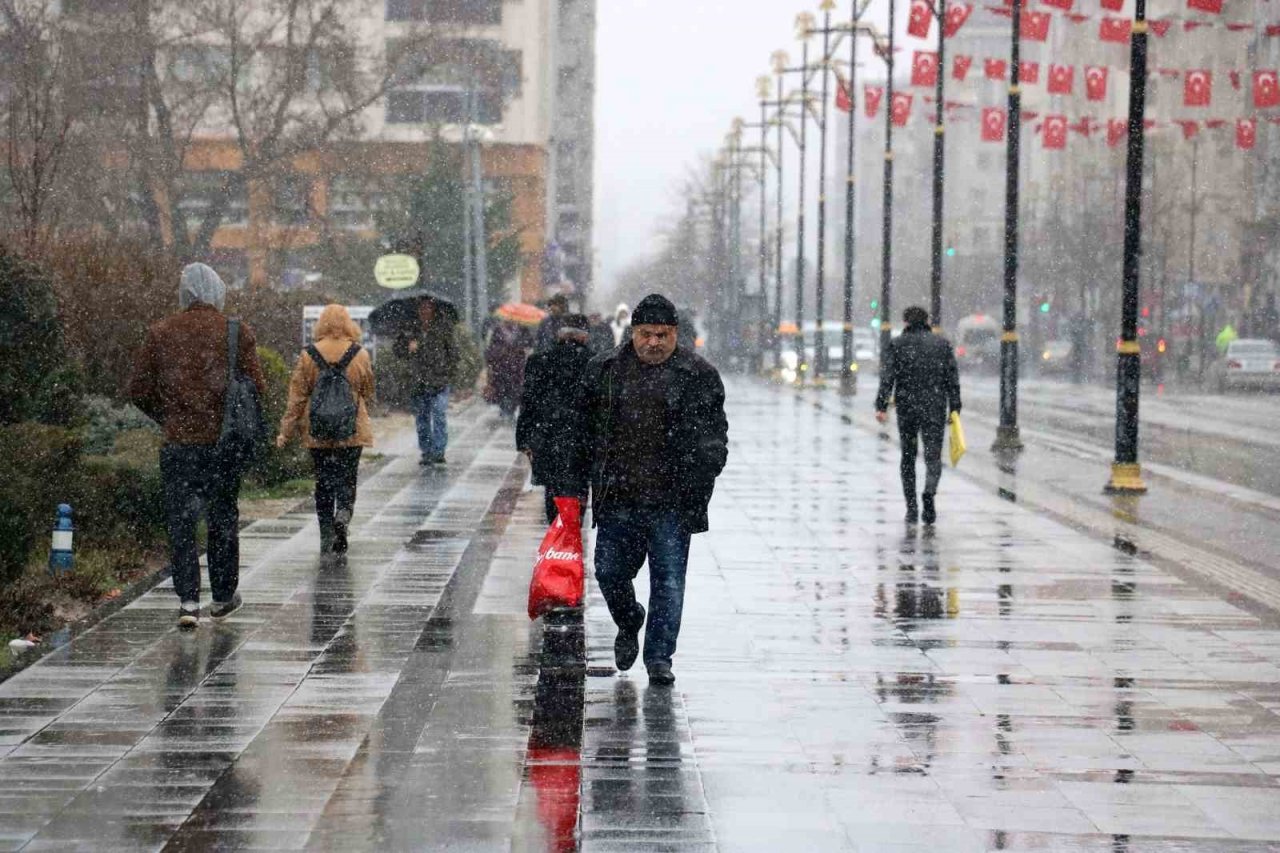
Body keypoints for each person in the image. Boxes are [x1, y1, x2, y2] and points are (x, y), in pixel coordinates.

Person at [564, 294, 729, 686]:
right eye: (646, 334)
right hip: (618, 496)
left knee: (669, 581)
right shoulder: (604, 371)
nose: (654, 342)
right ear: (632, 333)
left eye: (663, 335)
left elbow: (714, 437)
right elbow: (580, 430)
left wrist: (702, 471)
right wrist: (571, 483)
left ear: (675, 335)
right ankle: (629, 618)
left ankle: (659, 657)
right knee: (608, 572)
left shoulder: (698, 375)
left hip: (672, 500)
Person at [129, 263, 265, 628]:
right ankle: (222, 596)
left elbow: (138, 389)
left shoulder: (161, 332)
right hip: (223, 445)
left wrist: (170, 416)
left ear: (184, 292)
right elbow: (257, 388)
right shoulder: (236, 332)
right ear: (217, 292)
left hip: (179, 445)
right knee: (222, 517)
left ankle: (188, 600)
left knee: (181, 521)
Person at [276, 304, 375, 555]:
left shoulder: (309, 355)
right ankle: (343, 512)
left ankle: (326, 533)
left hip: (318, 430)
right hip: (351, 430)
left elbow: (296, 397)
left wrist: (285, 431)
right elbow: (368, 391)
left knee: (323, 482)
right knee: (347, 478)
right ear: (348, 324)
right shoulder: (360, 354)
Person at [874, 305, 962, 526]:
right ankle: (929, 493)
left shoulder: (897, 344)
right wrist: (955, 407)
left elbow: (888, 377)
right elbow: (952, 378)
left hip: (907, 407)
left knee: (908, 456)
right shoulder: (942, 344)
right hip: (934, 406)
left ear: (906, 322)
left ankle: (912, 508)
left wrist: (882, 405)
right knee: (933, 456)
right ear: (926, 322)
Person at [517, 314, 594, 524]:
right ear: (585, 337)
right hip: (583, 439)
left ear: (559, 335)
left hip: (547, 437)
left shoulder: (539, 361)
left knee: (553, 487)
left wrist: (523, 439)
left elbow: (528, 403)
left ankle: (557, 534)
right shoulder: (597, 364)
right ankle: (572, 530)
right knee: (579, 486)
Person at [394, 298, 458, 466]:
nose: (425, 311)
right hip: (417, 380)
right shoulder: (409, 328)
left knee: (438, 414)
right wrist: (408, 347)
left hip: (439, 380)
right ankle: (426, 451)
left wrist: (447, 374)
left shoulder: (443, 328)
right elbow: (398, 350)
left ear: (434, 309)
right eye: (422, 308)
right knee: (422, 418)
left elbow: (453, 353)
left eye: (428, 308)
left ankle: (438, 451)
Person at [484, 320, 526, 420]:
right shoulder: (497, 330)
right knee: (501, 389)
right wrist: (500, 350)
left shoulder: (521, 329)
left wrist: (520, 350)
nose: (510, 320)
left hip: (516, 367)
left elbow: (527, 344)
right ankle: (504, 409)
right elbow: (491, 347)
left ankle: (511, 409)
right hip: (501, 366)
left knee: (515, 390)